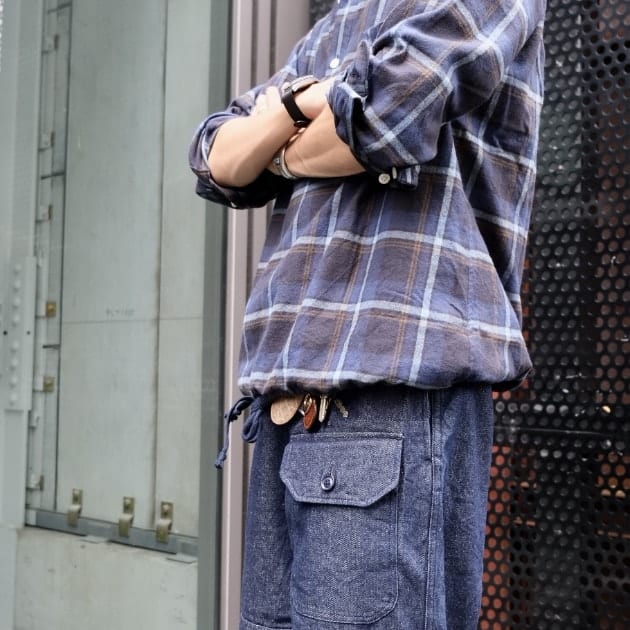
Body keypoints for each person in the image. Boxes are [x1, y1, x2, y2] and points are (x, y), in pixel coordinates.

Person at [189, 0, 546, 627]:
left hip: (393, 382)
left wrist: (278, 136)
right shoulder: (333, 26)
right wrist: (309, 108)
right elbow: (215, 157)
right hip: (288, 395)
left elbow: (387, 113)